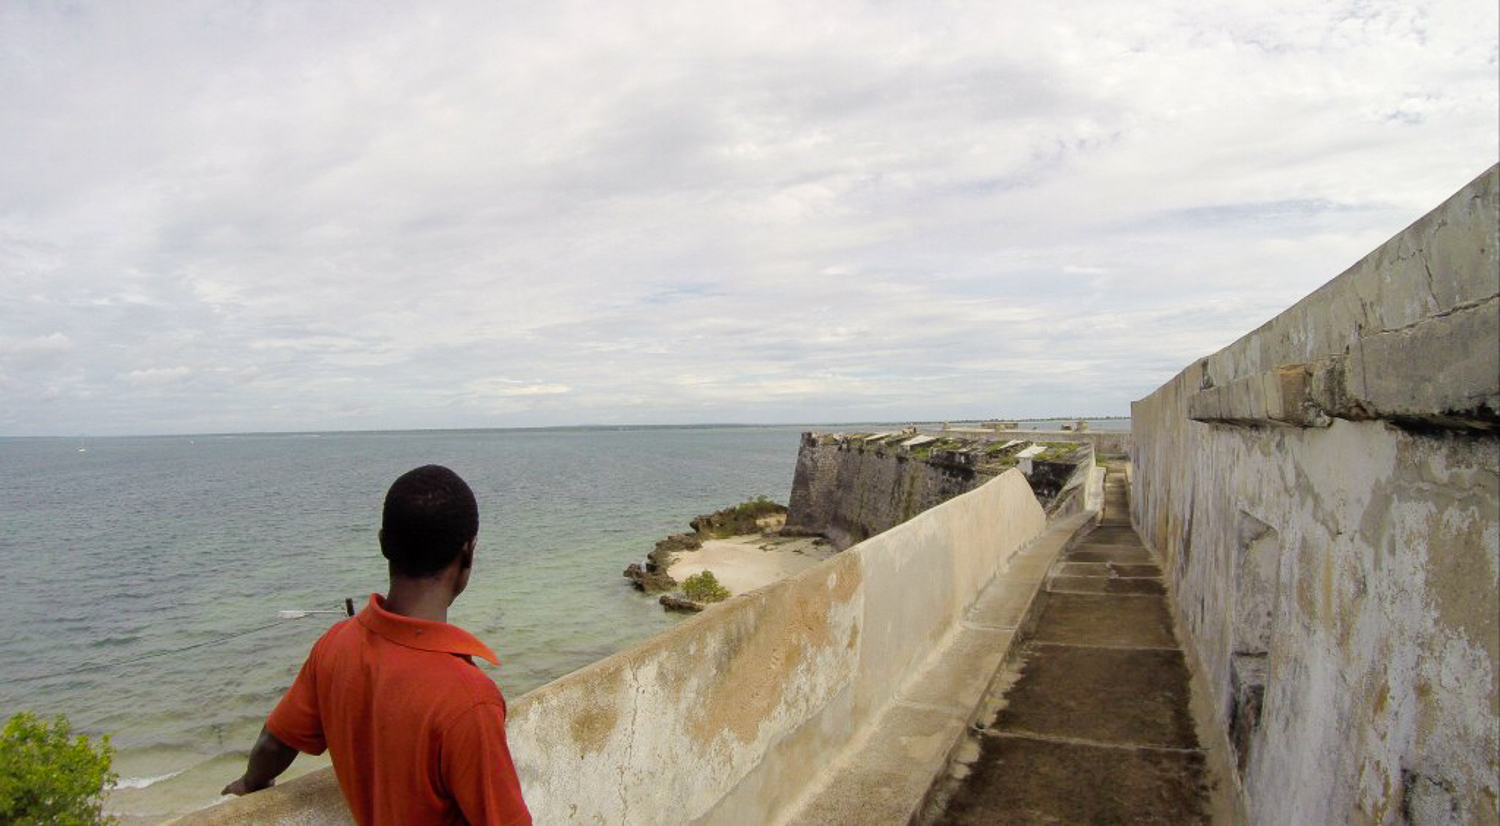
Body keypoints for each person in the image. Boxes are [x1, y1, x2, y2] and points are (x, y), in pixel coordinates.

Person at [223, 465, 531, 825]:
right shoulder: (468, 700)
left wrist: (250, 782)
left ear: (384, 543)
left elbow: (273, 743)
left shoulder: (335, 644)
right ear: (468, 554)